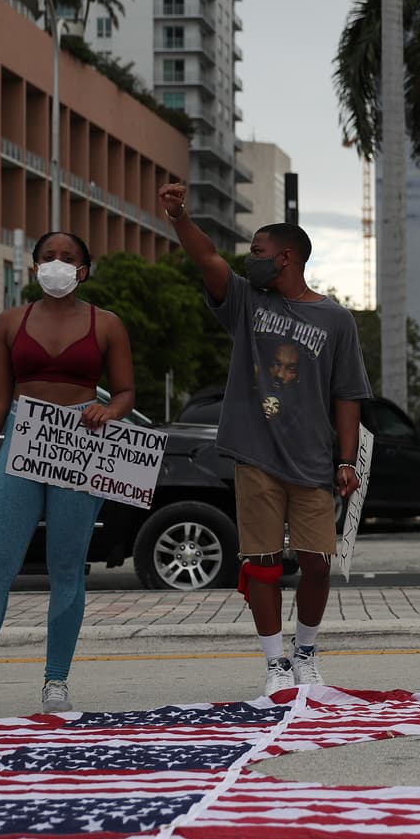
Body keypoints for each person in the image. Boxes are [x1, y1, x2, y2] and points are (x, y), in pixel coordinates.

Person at [0, 233, 135, 724]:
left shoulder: (107, 325)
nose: (57, 264)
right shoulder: (13, 322)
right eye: (49, 257)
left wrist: (107, 409)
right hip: (20, 443)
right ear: (34, 266)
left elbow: (124, 392)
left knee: (67, 568)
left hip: (78, 447)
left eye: (68, 258)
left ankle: (56, 681)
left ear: (85, 269)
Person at [159, 182, 371, 698]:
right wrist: (180, 218)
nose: (248, 260)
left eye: (257, 252)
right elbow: (207, 259)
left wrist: (348, 461)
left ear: (286, 257)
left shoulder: (336, 319)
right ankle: (275, 662)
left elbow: (348, 395)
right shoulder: (245, 301)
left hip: (313, 459)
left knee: (318, 560)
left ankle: (307, 652)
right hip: (255, 454)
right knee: (261, 562)